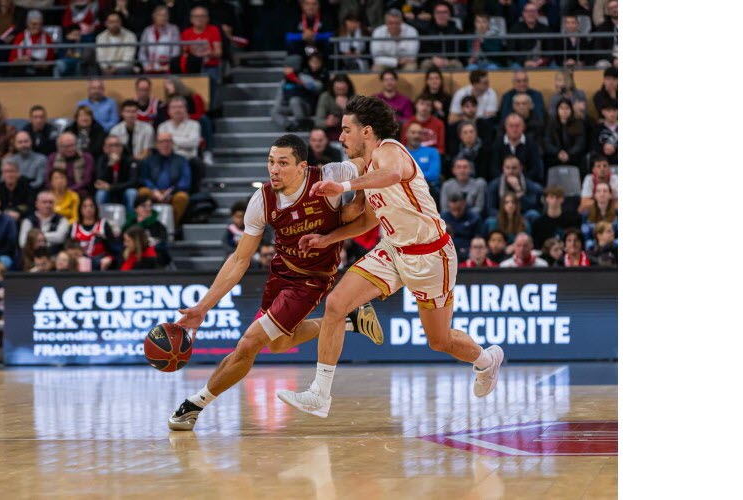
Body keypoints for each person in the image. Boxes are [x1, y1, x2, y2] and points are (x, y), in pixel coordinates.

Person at [276, 96, 504, 419]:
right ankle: (320, 393)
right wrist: (326, 238)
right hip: (393, 250)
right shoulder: (367, 166)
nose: (340, 137)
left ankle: (486, 360)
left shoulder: (390, 151)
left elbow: (394, 175)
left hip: (430, 256)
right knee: (337, 304)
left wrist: (343, 186)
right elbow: (370, 220)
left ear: (366, 132)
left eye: (346, 130)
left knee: (439, 341)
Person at [168, 134, 384, 430]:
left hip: (311, 280)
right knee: (279, 344)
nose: (274, 169)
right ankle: (350, 321)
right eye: (271, 162)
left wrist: (361, 193)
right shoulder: (263, 199)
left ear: (302, 167)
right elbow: (239, 259)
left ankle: (194, 405)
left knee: (248, 344)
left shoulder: (329, 177)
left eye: (283, 163)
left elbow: (367, 161)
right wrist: (203, 307)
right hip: (281, 275)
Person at [137, 132, 191, 225]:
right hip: (154, 191)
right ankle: (146, 224)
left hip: (173, 192)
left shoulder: (181, 160)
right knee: (143, 192)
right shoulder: (149, 160)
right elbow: (144, 178)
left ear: (172, 143)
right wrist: (154, 191)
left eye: (168, 141)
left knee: (182, 197)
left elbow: (185, 181)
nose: (165, 144)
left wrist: (170, 192)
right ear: (156, 144)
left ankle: (171, 225)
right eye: (161, 142)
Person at [178, 6, 222, 102]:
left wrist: (207, 53)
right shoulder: (186, 33)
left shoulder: (213, 30)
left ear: (207, 18)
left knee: (211, 84)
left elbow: (218, 52)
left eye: (202, 16)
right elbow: (184, 54)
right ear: (191, 19)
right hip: (192, 68)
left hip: (210, 66)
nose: (199, 19)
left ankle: (212, 110)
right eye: (196, 16)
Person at [271, 55, 324, 132]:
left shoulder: (303, 77)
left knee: (294, 100)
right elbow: (278, 100)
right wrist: (277, 109)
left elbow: (318, 86)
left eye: (287, 67)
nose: (284, 70)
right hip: (291, 107)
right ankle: (290, 125)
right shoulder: (284, 82)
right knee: (274, 111)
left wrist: (298, 80)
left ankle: (302, 122)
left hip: (306, 106)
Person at [488, 114, 544, 183]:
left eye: (517, 126)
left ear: (523, 127)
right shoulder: (497, 144)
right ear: (506, 127)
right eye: (511, 126)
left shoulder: (531, 144)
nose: (514, 129)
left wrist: (520, 181)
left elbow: (535, 169)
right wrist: (507, 180)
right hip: (502, 181)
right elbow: (494, 169)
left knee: (537, 190)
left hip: (526, 181)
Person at [486, 155, 543, 220]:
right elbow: (490, 208)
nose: (511, 171)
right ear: (503, 168)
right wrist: (504, 217)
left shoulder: (529, 184)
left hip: (522, 215)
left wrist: (518, 189)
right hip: (501, 216)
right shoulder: (494, 184)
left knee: (533, 214)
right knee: (490, 221)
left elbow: (531, 206)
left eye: (514, 168)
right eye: (507, 168)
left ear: (520, 168)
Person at [70, 197, 118, 270]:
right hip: (78, 260)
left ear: (96, 208)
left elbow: (114, 247)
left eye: (91, 206)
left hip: (100, 259)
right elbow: (68, 248)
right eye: (85, 206)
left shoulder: (104, 224)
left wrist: (103, 238)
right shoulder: (73, 227)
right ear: (80, 209)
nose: (88, 209)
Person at [94, 135, 140, 211]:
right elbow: (99, 180)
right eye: (111, 146)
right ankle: (100, 220)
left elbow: (133, 182)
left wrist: (111, 187)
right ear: (105, 148)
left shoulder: (130, 160)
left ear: (121, 148)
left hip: (123, 191)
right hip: (108, 192)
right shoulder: (101, 160)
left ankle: (131, 220)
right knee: (100, 193)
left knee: (132, 193)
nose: (114, 148)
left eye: (117, 145)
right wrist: (110, 164)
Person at [46, 132, 96, 199]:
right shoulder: (53, 158)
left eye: (72, 145)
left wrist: (69, 191)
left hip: (79, 191)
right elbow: (48, 179)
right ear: (59, 148)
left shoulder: (86, 158)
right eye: (66, 147)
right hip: (57, 192)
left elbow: (86, 180)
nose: (70, 149)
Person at [419, 1, 465, 71]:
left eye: (445, 12)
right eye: (438, 12)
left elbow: (461, 50)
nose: (441, 15)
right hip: (432, 60)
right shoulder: (426, 30)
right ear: (434, 14)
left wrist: (447, 60)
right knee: (425, 64)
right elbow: (424, 49)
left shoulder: (456, 31)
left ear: (449, 14)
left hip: (450, 61)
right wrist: (433, 58)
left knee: (457, 64)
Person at [8, 10, 55, 77]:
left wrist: (43, 65)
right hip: (22, 71)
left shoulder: (47, 38)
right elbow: (12, 61)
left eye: (40, 24)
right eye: (34, 24)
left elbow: (51, 61)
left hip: (41, 72)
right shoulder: (20, 37)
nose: (37, 27)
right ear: (27, 24)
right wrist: (21, 60)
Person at [507, 2, 554, 68]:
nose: (531, 14)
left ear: (538, 14)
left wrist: (541, 61)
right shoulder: (515, 29)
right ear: (523, 14)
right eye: (528, 11)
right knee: (515, 67)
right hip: (520, 63)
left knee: (555, 68)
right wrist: (524, 62)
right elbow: (511, 51)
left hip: (541, 63)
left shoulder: (545, 29)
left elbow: (550, 51)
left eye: (534, 11)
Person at [544, 98, 587, 168]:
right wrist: (558, 153)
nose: (564, 111)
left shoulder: (578, 123)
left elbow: (580, 144)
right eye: (561, 108)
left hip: (573, 156)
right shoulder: (551, 124)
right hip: (555, 155)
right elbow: (547, 142)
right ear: (557, 110)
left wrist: (569, 153)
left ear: (571, 110)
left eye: (567, 108)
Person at [139, 5, 180, 74]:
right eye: (160, 15)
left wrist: (169, 65)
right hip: (150, 68)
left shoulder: (173, 30)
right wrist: (146, 65)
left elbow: (176, 52)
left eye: (165, 15)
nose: (163, 18)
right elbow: (142, 52)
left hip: (167, 68)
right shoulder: (147, 30)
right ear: (154, 17)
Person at [402, 122, 441, 194]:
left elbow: (434, 175)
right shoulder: (400, 152)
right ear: (406, 134)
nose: (416, 136)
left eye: (419, 133)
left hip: (428, 190)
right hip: (405, 191)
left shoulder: (432, 152)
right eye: (413, 133)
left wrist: (409, 176)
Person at [441, 193, 483, 260]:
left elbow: (478, 238)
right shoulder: (443, 218)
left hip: (469, 250)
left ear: (464, 204)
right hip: (449, 250)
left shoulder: (474, 217)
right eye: (453, 210)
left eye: (459, 209)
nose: (456, 213)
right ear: (449, 205)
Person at [314, 74, 355, 140]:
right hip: (329, 132)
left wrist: (345, 108)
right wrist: (327, 122)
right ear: (332, 88)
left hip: (349, 131)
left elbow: (359, 122)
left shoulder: (354, 98)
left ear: (348, 87)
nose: (340, 92)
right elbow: (318, 121)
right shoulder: (325, 97)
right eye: (338, 89)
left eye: (343, 89)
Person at [591, 0, 618, 68]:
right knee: (601, 65)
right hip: (610, 57)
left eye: (616, 7)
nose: (614, 10)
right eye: (611, 8)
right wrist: (612, 59)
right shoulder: (602, 28)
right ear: (608, 12)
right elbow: (598, 50)